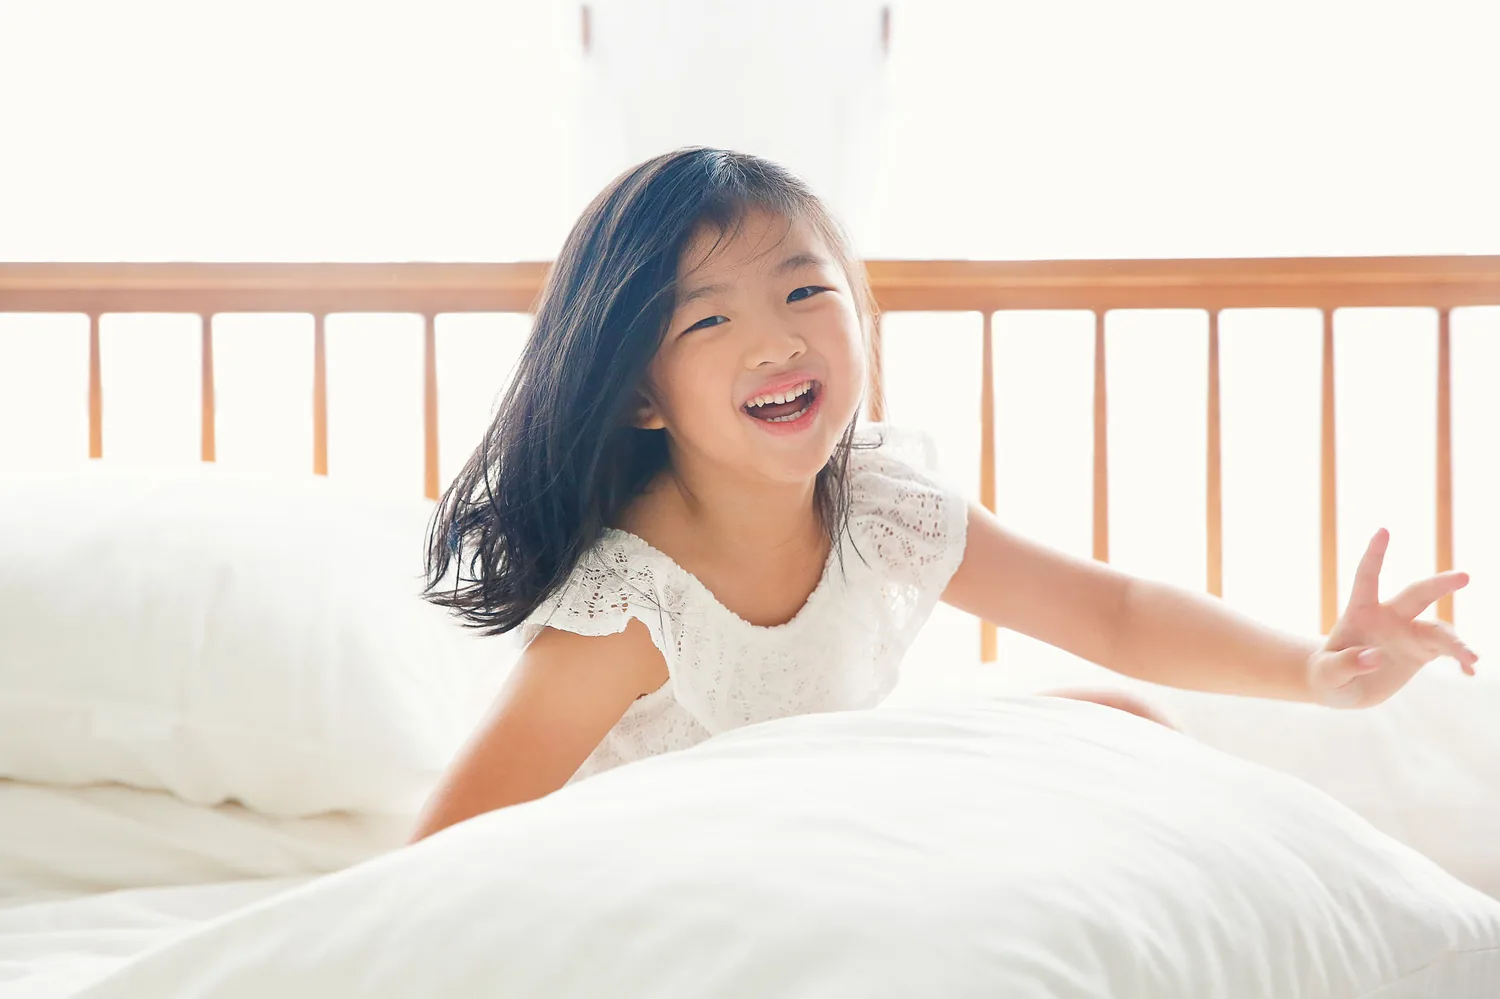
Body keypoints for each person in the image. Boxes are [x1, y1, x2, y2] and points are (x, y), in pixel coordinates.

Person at [407, 147, 1479, 844]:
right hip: (687, 854)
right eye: (709, 321)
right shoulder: (632, 609)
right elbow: (446, 849)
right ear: (641, 393)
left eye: (803, 291)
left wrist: (1315, 666)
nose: (776, 339)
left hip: (817, 807)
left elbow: (1113, 614)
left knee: (1123, 719)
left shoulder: (875, 505)